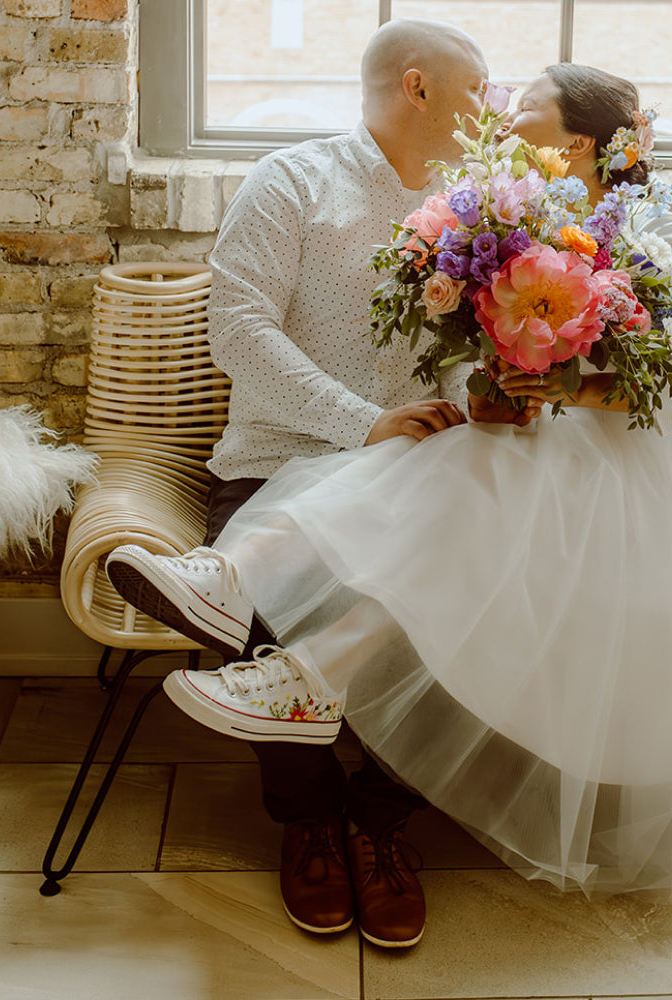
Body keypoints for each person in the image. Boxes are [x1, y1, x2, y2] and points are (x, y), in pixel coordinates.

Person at [107, 64, 672, 902]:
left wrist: (575, 390)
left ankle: (269, 620)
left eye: (525, 104)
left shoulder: (656, 234)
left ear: (580, 140)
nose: (504, 112)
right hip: (549, 454)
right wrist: (501, 392)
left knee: (455, 476)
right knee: (452, 462)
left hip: (659, 471)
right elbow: (485, 363)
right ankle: (263, 616)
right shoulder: (517, 220)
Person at [106, 18, 496, 950]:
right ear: (418, 87)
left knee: (473, 593)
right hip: (275, 466)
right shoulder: (292, 182)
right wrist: (359, 422)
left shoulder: (478, 211)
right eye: (480, 89)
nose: (493, 107)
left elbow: (463, 357)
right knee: (277, 607)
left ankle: (381, 824)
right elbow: (238, 331)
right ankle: (311, 822)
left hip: (417, 478)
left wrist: (478, 399)